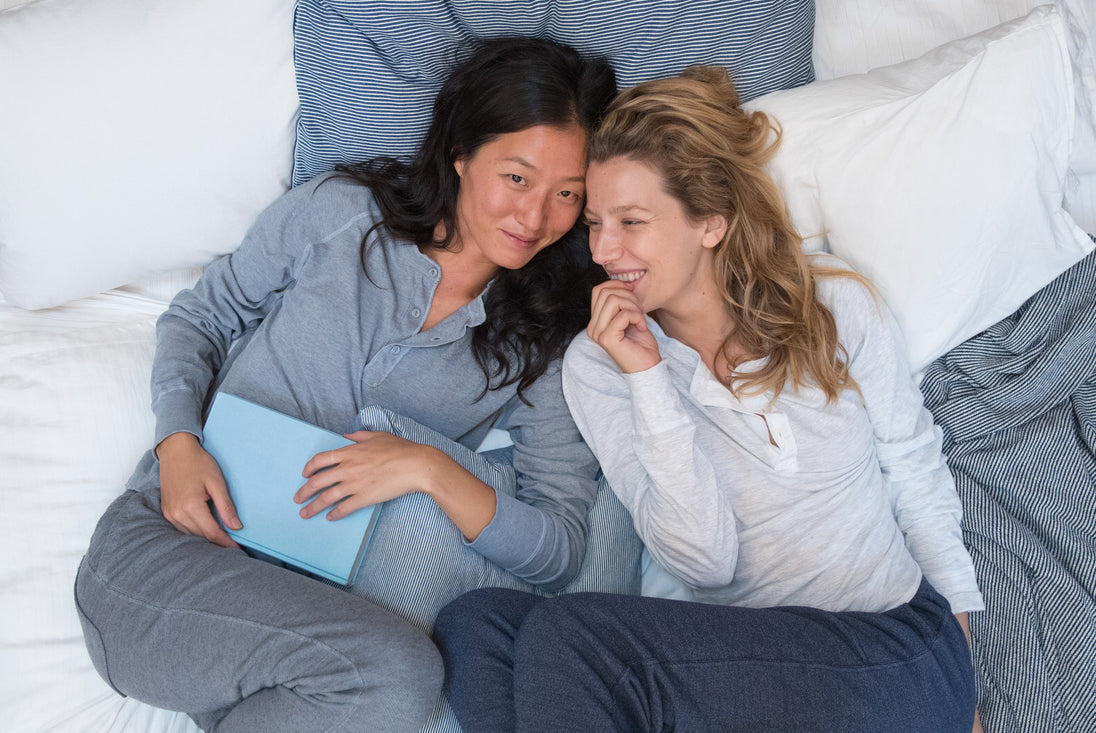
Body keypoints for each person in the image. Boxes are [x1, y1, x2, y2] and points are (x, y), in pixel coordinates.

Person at [73, 37, 641, 733]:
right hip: (163, 559)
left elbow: (557, 550)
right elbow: (200, 319)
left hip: (315, 640)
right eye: (517, 178)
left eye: (567, 195)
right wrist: (177, 444)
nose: (534, 216)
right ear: (461, 153)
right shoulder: (340, 214)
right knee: (400, 673)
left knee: (395, 683)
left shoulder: (544, 343)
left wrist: (429, 469)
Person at [432, 66, 985, 732]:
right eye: (596, 223)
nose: (604, 250)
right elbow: (705, 561)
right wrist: (647, 379)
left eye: (632, 222)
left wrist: (960, 673)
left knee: (572, 639)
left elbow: (916, 472)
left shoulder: (834, 304)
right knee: (479, 627)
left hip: (892, 648)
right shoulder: (601, 364)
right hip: (747, 670)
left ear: (711, 222)